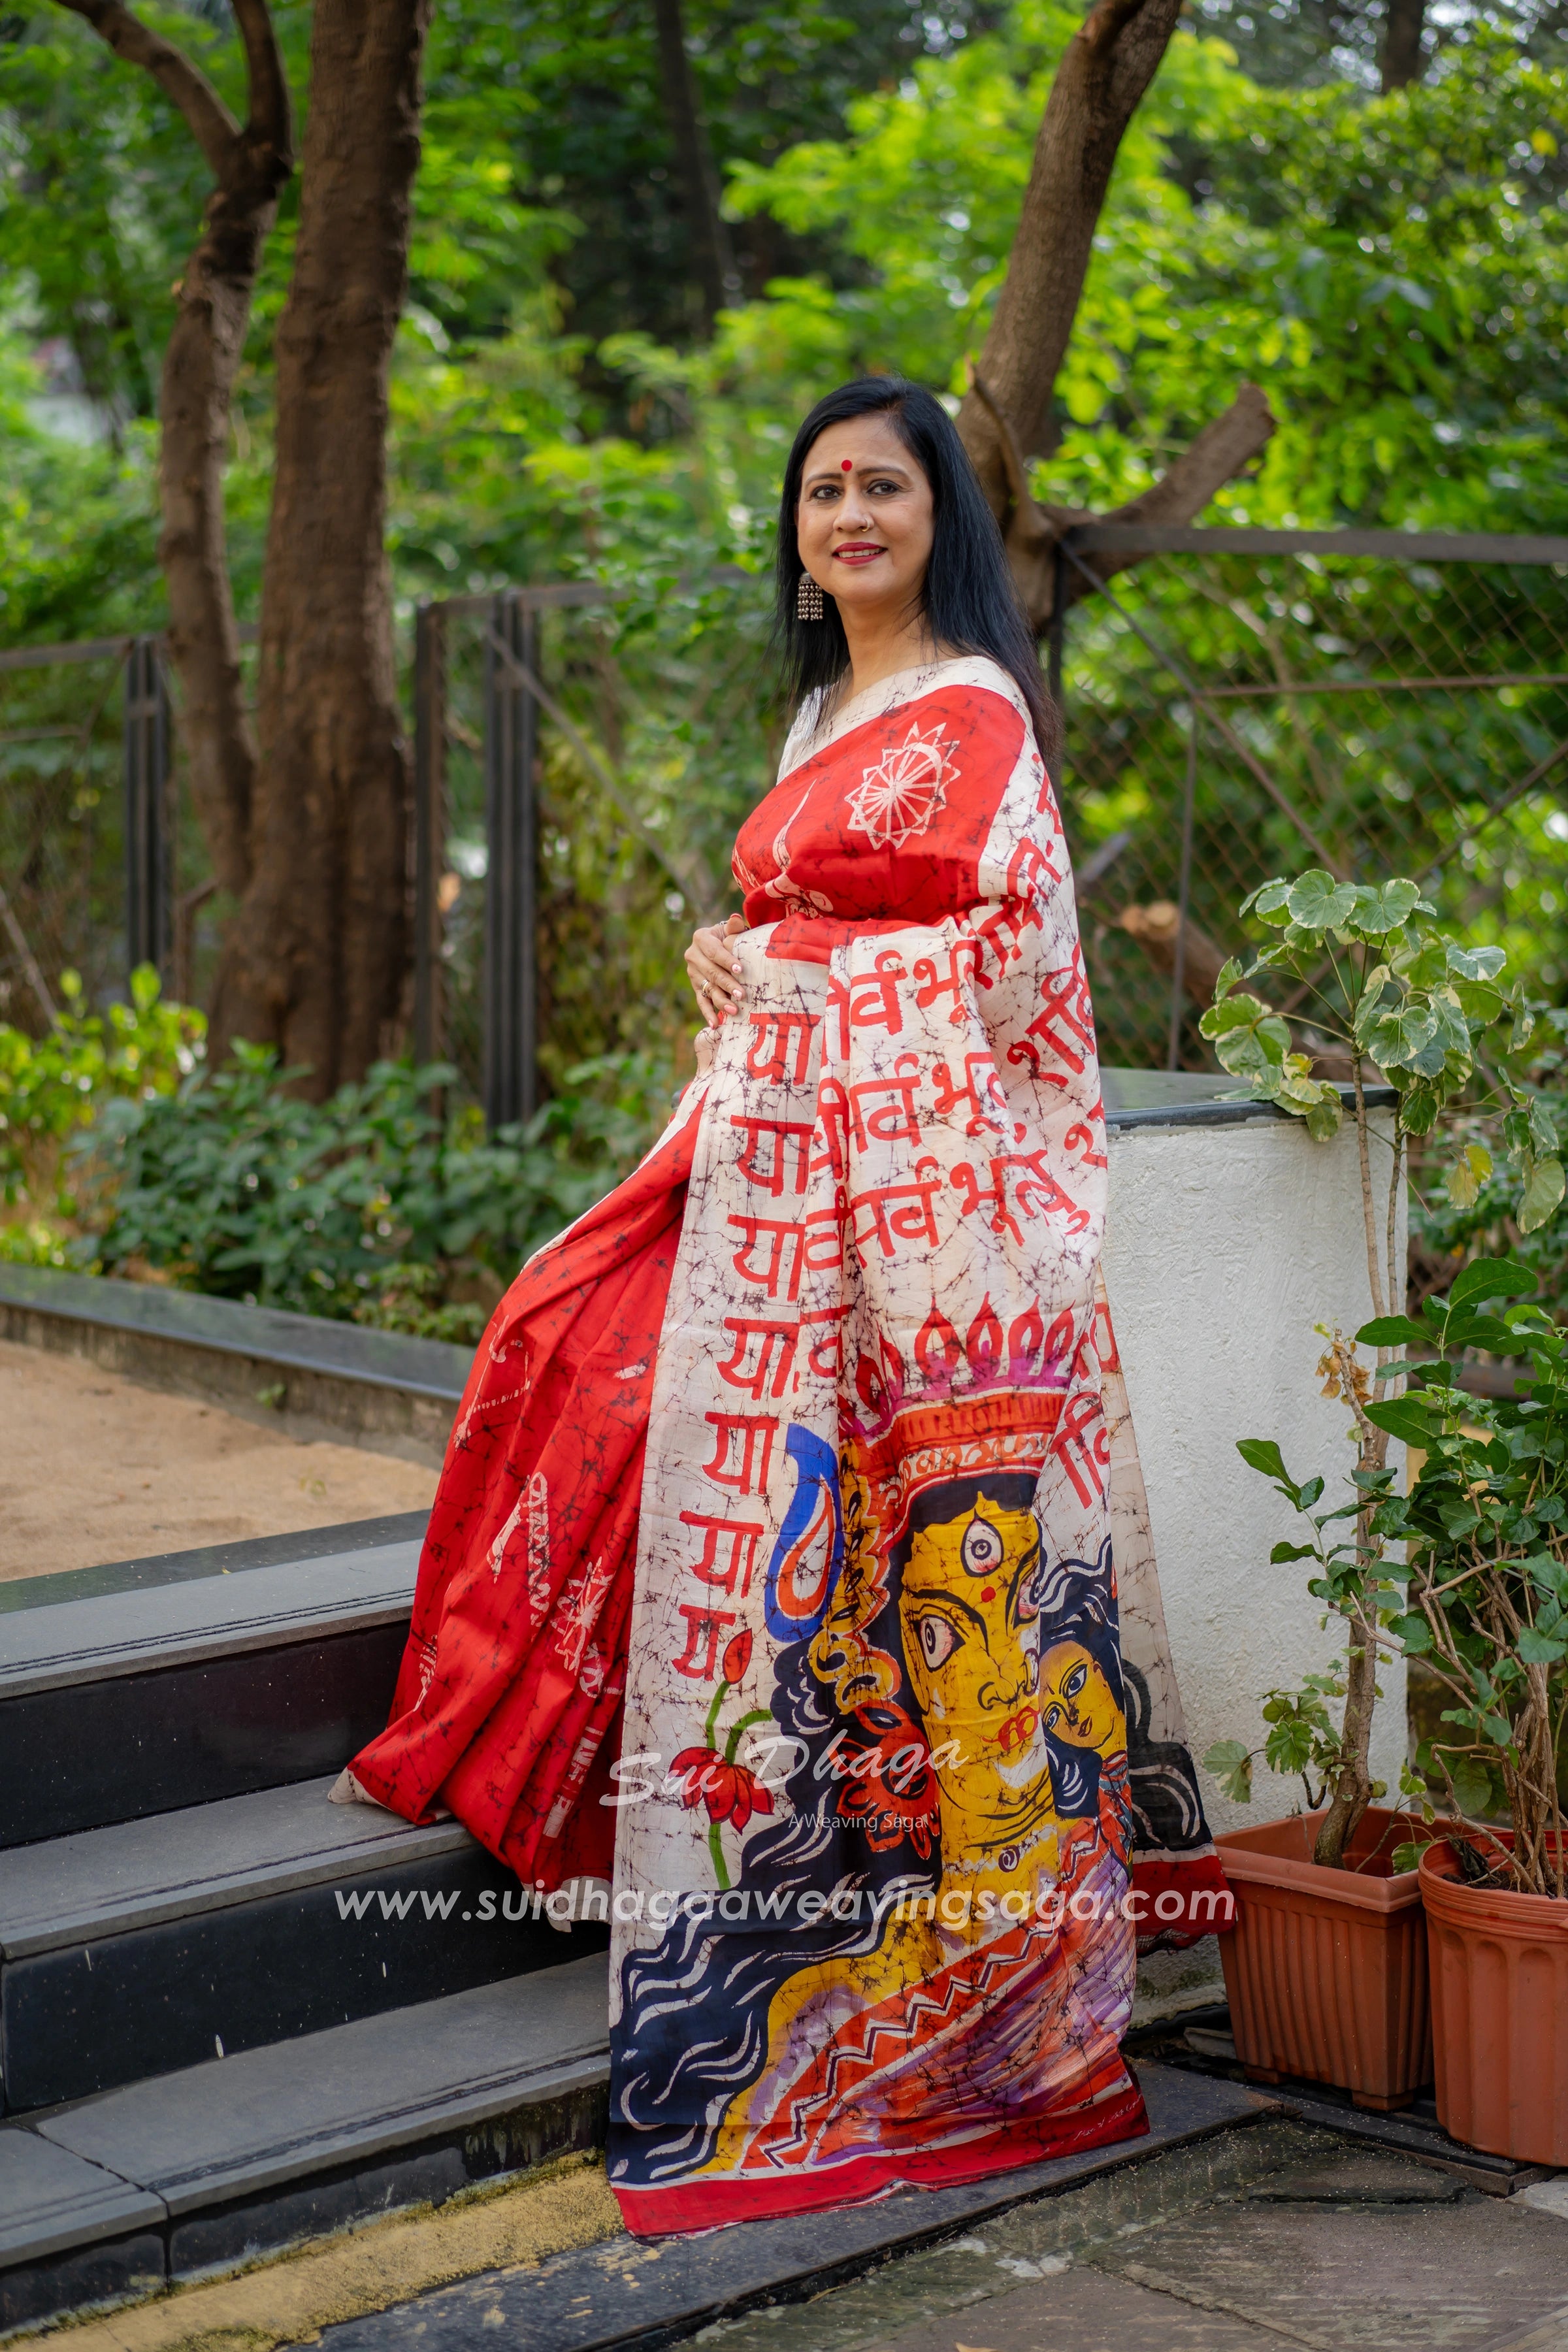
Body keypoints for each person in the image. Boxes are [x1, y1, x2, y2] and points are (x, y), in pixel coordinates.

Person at [336, 374, 1228, 2235]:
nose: (848, 515)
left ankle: (913, 1985)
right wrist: (740, 963)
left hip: (902, 1227)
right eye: (821, 490)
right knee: (553, 1340)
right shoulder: (827, 703)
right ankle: (555, 1803)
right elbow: (806, 930)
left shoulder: (976, 714)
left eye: (882, 487)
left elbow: (1010, 978)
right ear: (802, 542)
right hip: (763, 1170)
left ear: (935, 522)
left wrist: (804, 983)